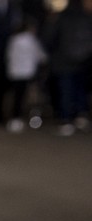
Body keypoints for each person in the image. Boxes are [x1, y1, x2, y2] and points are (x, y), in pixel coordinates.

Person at [41, 0, 92, 136]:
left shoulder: (60, 18)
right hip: (84, 61)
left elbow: (49, 38)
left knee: (66, 90)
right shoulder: (86, 17)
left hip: (63, 61)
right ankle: (81, 115)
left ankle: (66, 119)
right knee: (80, 89)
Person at [6, 18, 47, 132]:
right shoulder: (31, 40)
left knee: (17, 97)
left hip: (15, 73)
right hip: (29, 73)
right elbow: (40, 56)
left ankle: (15, 119)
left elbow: (9, 56)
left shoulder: (14, 39)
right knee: (31, 97)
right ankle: (34, 119)